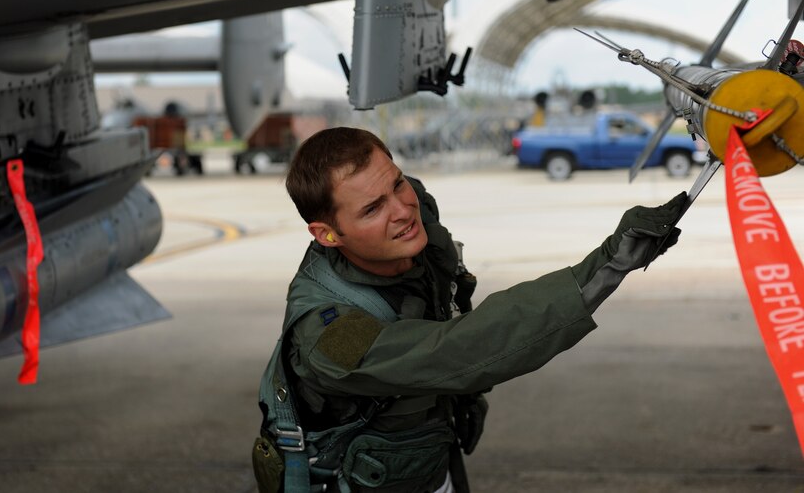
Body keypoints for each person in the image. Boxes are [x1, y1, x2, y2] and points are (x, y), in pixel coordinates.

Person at [253, 127, 685, 493]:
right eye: (372, 208)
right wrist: (607, 265)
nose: (403, 211)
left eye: (397, 184)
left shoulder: (413, 214)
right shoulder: (328, 334)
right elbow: (458, 351)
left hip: (424, 462)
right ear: (328, 235)